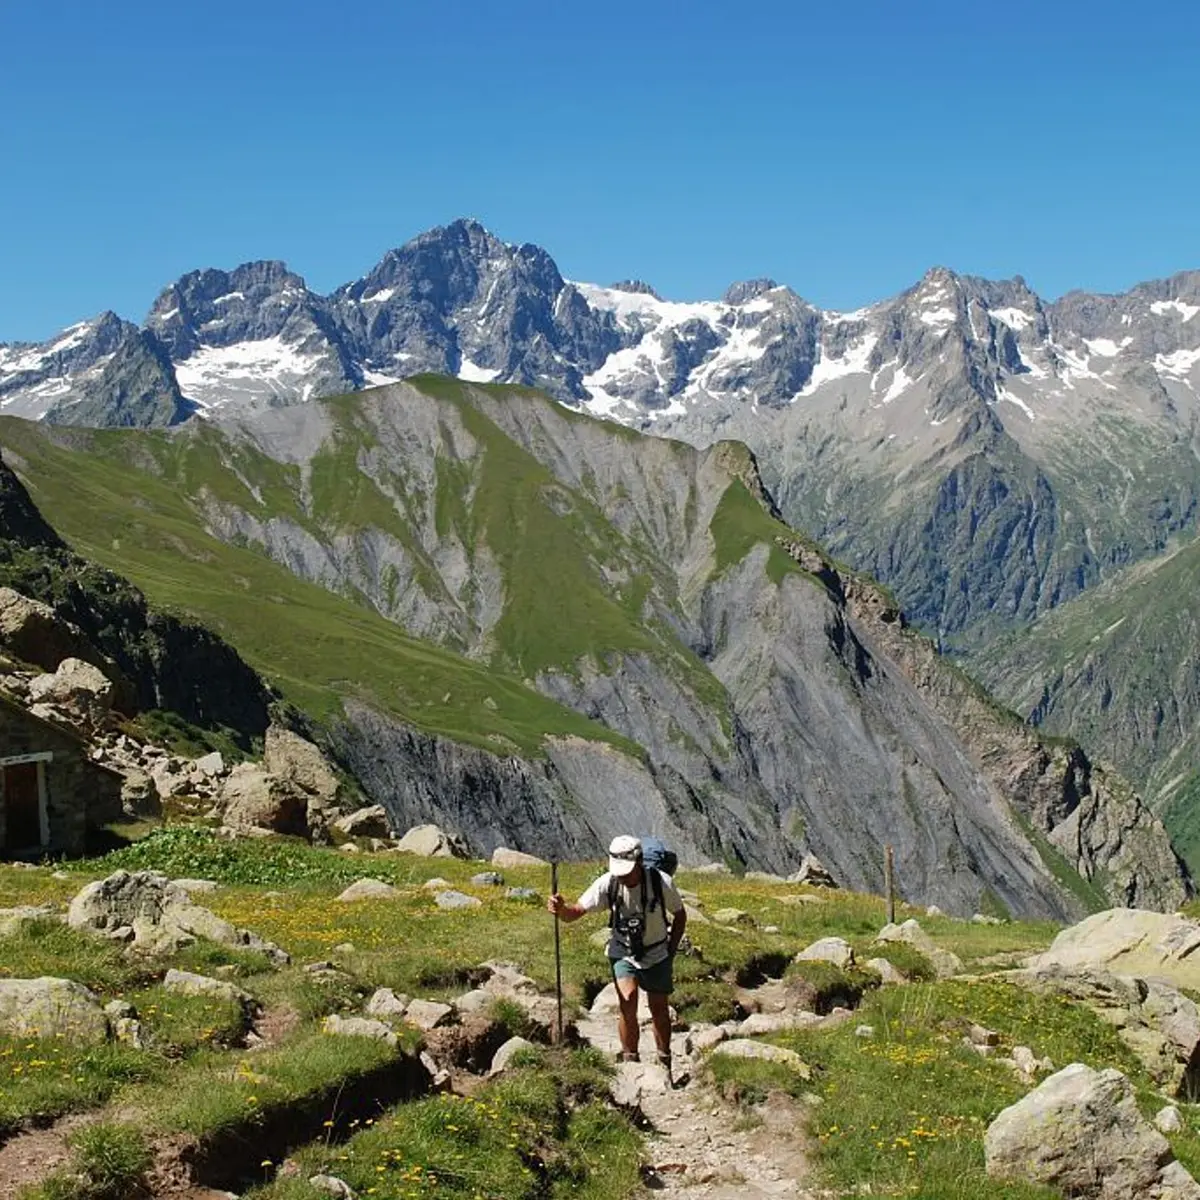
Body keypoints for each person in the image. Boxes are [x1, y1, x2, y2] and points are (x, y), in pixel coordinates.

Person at [547, 835, 687, 1071]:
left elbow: (680, 914)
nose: (623, 876)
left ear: (640, 862)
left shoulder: (661, 882)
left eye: (628, 871)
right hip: (622, 951)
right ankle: (630, 1060)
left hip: (657, 952)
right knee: (628, 1001)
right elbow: (576, 912)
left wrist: (671, 950)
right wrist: (561, 910)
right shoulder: (608, 883)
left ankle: (664, 1060)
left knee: (659, 1009)